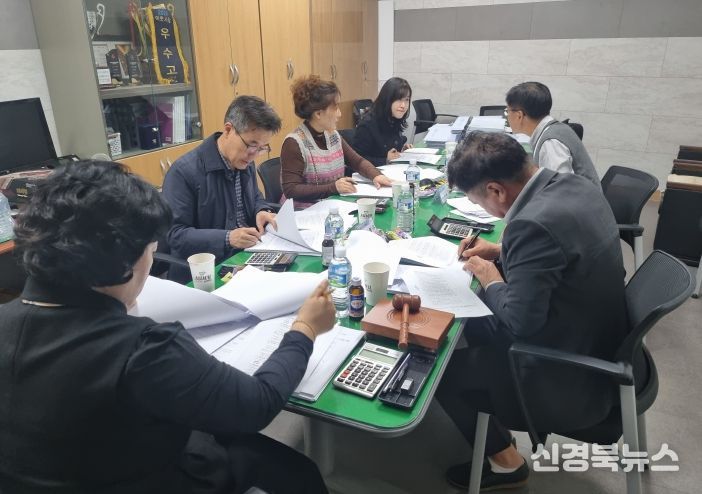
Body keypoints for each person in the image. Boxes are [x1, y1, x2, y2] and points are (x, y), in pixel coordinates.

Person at [0, 160, 335, 494]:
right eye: (151, 250)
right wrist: (304, 328)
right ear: (123, 262)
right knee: (296, 472)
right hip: (148, 478)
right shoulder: (144, 348)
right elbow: (257, 405)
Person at [437, 132, 633, 490]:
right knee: (475, 325)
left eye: (478, 201)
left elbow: (520, 323)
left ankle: (507, 464)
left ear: (496, 190)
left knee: (443, 373)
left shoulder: (530, 225)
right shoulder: (576, 187)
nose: (484, 208)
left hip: (566, 374)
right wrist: (500, 251)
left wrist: (489, 274)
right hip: (600, 341)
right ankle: (495, 430)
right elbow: (562, 249)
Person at [162, 95, 281, 282]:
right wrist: (227, 238)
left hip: (245, 257)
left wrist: (261, 210)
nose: (254, 155)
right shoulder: (184, 172)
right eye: (251, 145)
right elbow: (175, 235)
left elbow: (255, 196)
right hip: (205, 272)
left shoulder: (244, 161)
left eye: (262, 148)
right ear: (228, 130)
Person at [281, 75, 393, 207]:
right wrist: (333, 187)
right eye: (335, 108)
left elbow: (357, 161)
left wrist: (376, 175)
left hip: (331, 206)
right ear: (318, 114)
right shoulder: (294, 143)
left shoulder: (332, 135)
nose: (339, 114)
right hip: (304, 212)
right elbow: (291, 190)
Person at [505, 81, 600, 187]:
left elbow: (560, 189)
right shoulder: (554, 128)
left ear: (519, 115)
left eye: (507, 111)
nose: (507, 116)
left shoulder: (550, 143)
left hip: (580, 197)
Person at [353, 77, 413, 167]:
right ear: (387, 99)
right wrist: (385, 160)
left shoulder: (394, 119)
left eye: (406, 100)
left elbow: (390, 148)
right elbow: (356, 161)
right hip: (372, 174)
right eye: (399, 99)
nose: (403, 105)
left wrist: (401, 151)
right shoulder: (367, 125)